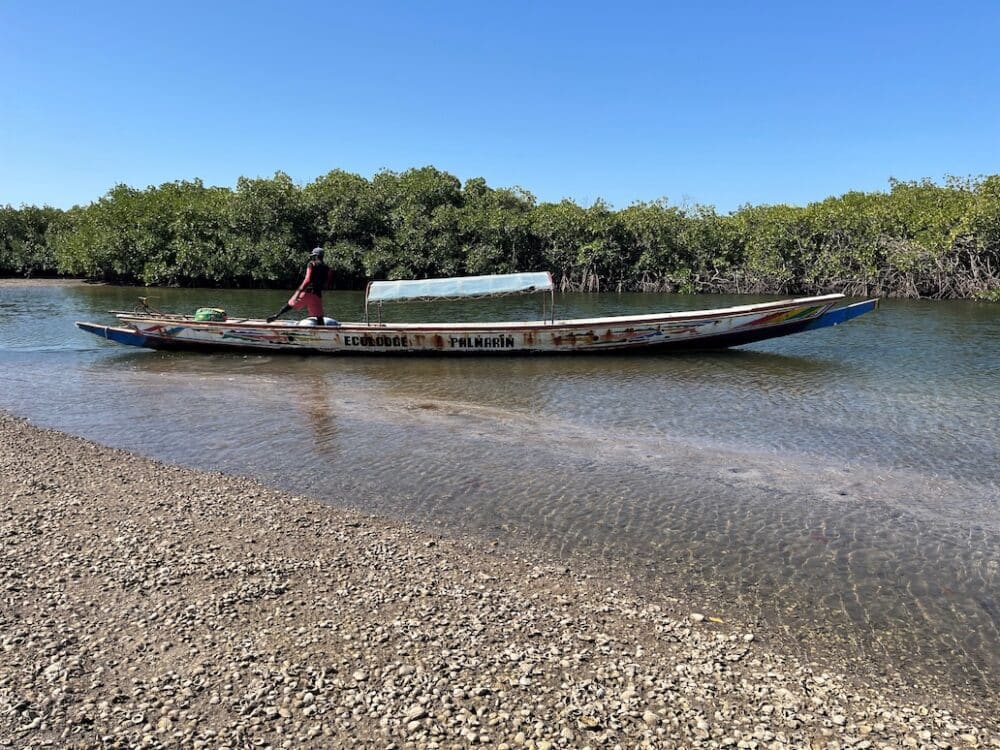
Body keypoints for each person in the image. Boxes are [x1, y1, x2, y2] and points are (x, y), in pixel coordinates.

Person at [267, 247, 332, 323]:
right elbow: (326, 284)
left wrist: (298, 292)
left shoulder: (312, 264)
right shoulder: (327, 268)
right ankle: (323, 332)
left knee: (290, 304)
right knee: (319, 318)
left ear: (315, 255)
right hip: (317, 295)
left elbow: (307, 279)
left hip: (306, 292)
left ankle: (276, 316)